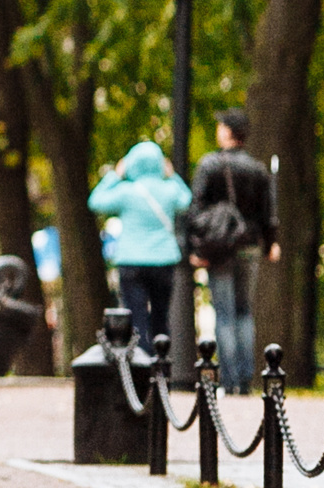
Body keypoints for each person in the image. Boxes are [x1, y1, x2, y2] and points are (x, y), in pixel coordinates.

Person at [189, 108, 281, 394]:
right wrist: (271, 243)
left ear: (228, 132)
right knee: (244, 312)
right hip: (249, 247)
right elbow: (269, 211)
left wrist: (197, 246)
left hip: (220, 250)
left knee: (225, 314)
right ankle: (245, 379)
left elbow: (196, 211)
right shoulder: (257, 169)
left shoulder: (209, 165)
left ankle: (228, 380)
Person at [89, 140, 193, 352]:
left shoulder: (126, 192)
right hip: (164, 261)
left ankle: (140, 363)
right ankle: (161, 367)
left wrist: (115, 175)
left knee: (135, 317)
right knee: (160, 317)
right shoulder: (169, 189)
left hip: (131, 261)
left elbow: (96, 201)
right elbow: (187, 200)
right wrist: (172, 175)